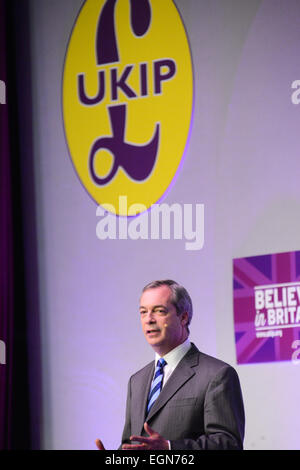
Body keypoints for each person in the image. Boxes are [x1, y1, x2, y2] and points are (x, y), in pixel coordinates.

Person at [96, 280, 245, 450]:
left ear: (183, 317)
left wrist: (169, 448)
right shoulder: (136, 381)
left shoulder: (217, 375)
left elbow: (229, 445)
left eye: (159, 311)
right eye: (143, 312)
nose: (149, 320)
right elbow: (131, 445)